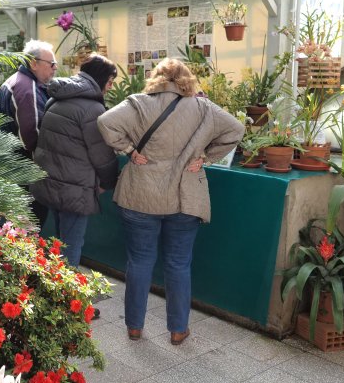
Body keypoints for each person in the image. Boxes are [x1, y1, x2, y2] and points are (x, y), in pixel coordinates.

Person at [97, 58, 243, 345]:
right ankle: (178, 329)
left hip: (140, 194)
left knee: (139, 262)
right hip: (184, 196)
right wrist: (206, 158)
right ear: (187, 80)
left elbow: (105, 122)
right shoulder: (203, 107)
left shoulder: (138, 103)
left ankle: (134, 327)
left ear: (157, 78)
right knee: (178, 264)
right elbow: (236, 129)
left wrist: (129, 149)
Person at [31, 54, 119, 268]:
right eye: (109, 81)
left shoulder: (57, 98)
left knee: (60, 244)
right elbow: (102, 155)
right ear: (100, 78)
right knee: (71, 245)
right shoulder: (92, 109)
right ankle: (66, 288)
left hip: (51, 182)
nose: (110, 87)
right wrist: (109, 182)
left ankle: (55, 283)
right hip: (75, 189)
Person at [0, 40, 58, 225]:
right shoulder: (27, 89)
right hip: (25, 174)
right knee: (28, 227)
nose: (55, 68)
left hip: (13, 168)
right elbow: (31, 137)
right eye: (51, 64)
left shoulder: (16, 81)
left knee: (15, 229)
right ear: (33, 63)